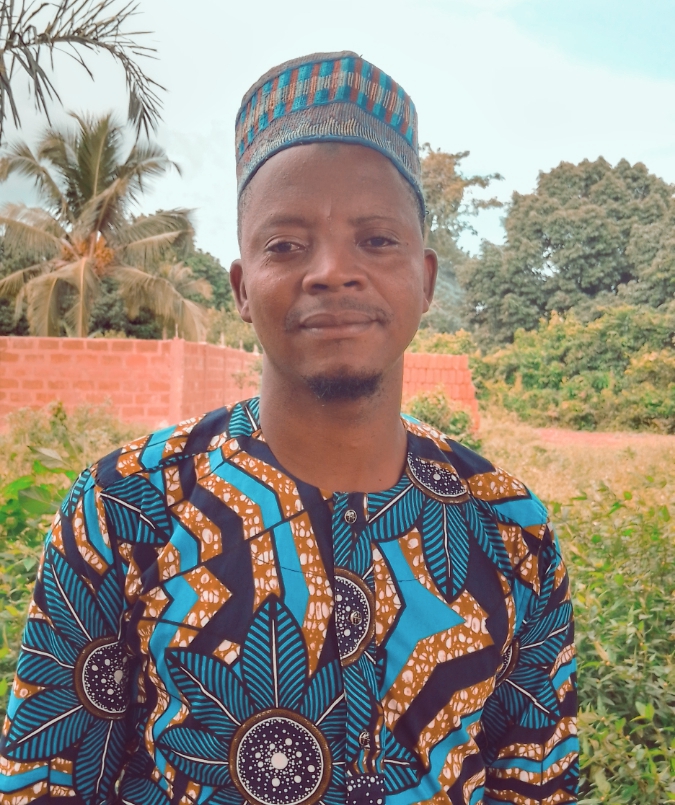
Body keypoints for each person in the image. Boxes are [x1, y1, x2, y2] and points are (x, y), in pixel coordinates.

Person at [0, 52, 578, 805]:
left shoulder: (509, 528)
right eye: (285, 245)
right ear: (243, 288)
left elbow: (535, 782)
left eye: (377, 240)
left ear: (426, 279)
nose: (331, 270)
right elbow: (45, 783)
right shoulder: (127, 507)